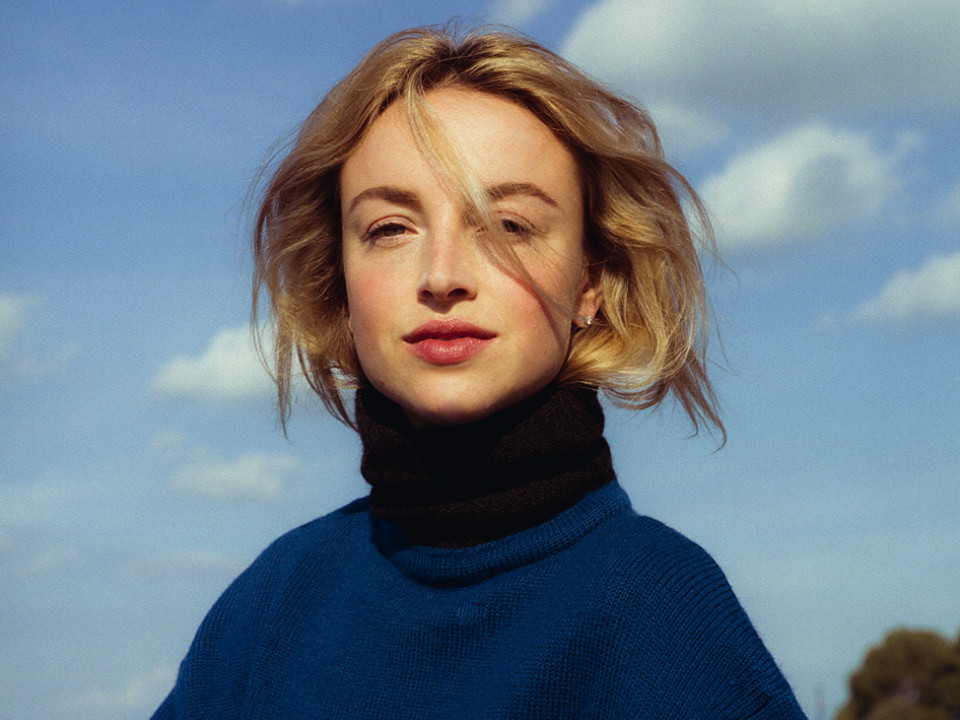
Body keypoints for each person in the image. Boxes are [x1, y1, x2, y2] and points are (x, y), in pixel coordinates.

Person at [152, 25, 808, 719]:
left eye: (508, 226)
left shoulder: (665, 615)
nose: (442, 277)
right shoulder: (269, 611)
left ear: (591, 280)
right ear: (339, 281)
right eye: (390, 229)